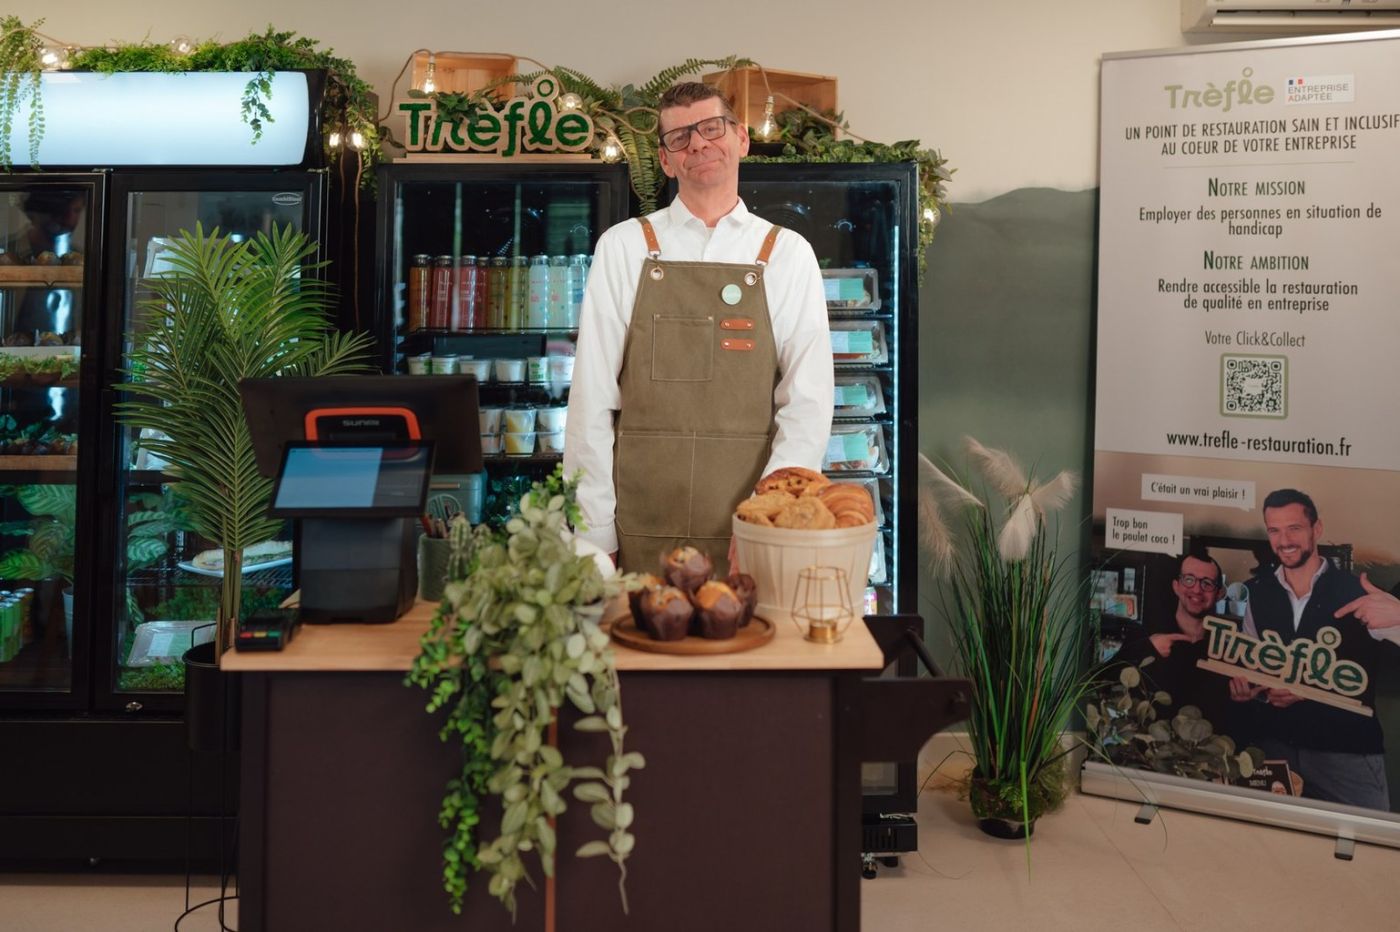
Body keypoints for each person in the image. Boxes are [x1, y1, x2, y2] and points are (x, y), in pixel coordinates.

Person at [564, 82, 833, 574]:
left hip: (747, 525)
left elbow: (808, 404)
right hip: (635, 521)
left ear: (741, 139)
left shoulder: (788, 254)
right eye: (680, 137)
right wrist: (593, 530)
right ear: (665, 161)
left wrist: (765, 519)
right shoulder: (623, 248)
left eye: (711, 128)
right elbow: (591, 398)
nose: (698, 145)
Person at [1228, 489, 1398, 810]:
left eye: (1294, 528)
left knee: (1363, 849)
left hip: (1347, 755)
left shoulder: (1356, 592)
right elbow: (1253, 666)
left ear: (1316, 529)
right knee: (1272, 848)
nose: (1284, 540)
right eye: (1274, 530)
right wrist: (1253, 690)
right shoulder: (1255, 593)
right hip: (1275, 751)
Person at [1113, 551, 1236, 731]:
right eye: (1189, 579)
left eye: (1207, 583)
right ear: (1176, 586)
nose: (1196, 589)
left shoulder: (1228, 650)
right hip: (1150, 754)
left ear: (1218, 593)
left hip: (1208, 755)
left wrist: (1241, 698)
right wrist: (1147, 648)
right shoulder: (1146, 637)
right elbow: (1103, 680)